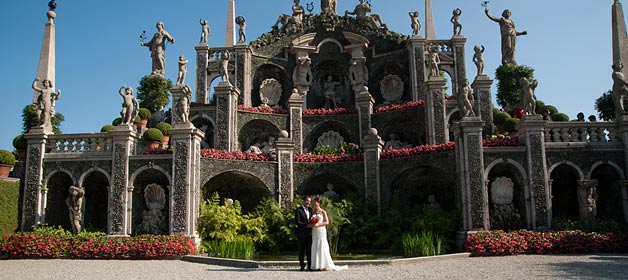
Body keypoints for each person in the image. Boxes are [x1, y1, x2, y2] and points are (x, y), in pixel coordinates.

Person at [310, 197, 348, 271]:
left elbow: (326, 222)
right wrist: (312, 224)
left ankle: (323, 264)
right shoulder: (313, 212)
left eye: (315, 202)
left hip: (321, 229)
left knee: (321, 244)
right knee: (315, 244)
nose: (314, 203)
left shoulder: (323, 211)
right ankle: (316, 264)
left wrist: (318, 225)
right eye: (314, 202)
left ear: (319, 203)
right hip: (314, 230)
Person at [295, 196, 313, 271]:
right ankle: (302, 265)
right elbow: (297, 222)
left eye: (309, 201)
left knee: (309, 250)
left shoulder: (310, 210)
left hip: (309, 233)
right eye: (307, 201)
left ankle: (309, 265)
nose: (308, 202)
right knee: (301, 250)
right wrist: (307, 224)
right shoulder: (298, 210)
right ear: (304, 201)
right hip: (301, 233)